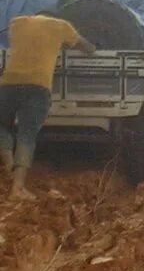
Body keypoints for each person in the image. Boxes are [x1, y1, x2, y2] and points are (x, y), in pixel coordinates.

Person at [0, 14, 95, 200]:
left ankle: (9, 165)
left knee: (2, 125)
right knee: (26, 135)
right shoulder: (62, 26)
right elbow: (88, 48)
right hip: (38, 87)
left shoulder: (17, 23)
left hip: (8, 84)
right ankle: (17, 189)